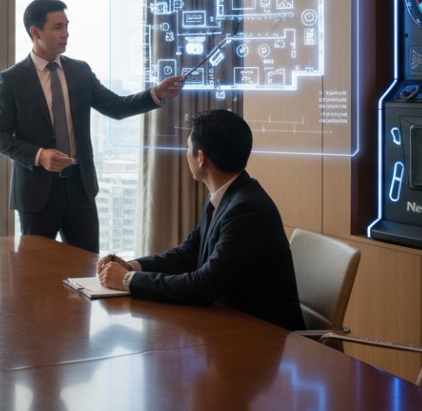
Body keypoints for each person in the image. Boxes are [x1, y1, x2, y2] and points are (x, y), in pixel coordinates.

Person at [0, 0, 185, 253]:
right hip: (37, 194)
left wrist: (155, 94)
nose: (66, 34)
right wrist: (39, 155)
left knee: (86, 268)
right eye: (57, 27)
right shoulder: (11, 79)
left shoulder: (80, 71)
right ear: (35, 32)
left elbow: (115, 106)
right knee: (35, 273)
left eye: (67, 26)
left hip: (80, 187)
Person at [96, 109, 305, 331]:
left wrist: (128, 280)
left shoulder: (247, 209)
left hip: (265, 339)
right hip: (232, 325)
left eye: (188, 147)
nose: (186, 153)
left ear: (201, 157)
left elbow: (204, 286)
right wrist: (132, 266)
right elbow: (187, 253)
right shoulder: (226, 195)